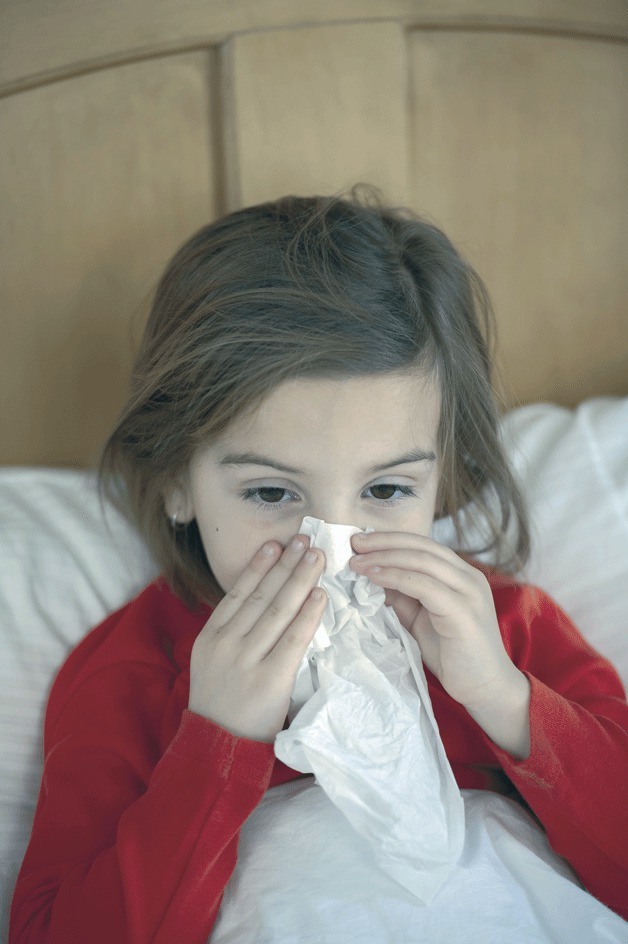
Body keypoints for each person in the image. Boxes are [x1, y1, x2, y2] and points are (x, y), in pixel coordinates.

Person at [9, 188, 628, 943]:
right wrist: (218, 739)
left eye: (386, 490)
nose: (333, 547)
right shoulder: (136, 671)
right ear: (175, 479)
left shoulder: (499, 630)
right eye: (271, 492)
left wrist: (505, 700)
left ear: (443, 479)